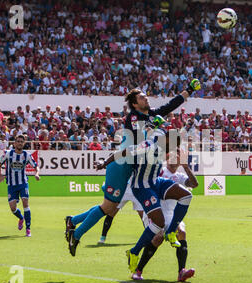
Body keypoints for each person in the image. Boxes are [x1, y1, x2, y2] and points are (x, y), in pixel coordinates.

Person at [64, 79, 201, 256]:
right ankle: (75, 233)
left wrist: (189, 90)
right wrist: (153, 127)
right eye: (142, 97)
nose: (146, 98)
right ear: (135, 104)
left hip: (131, 168)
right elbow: (138, 141)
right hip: (121, 165)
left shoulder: (152, 114)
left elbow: (172, 104)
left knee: (109, 207)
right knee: (108, 208)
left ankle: (72, 222)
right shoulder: (134, 117)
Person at [97, 127, 194, 277]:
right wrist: (104, 164)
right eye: (173, 145)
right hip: (142, 186)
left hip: (156, 182)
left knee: (186, 196)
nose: (172, 149)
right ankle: (134, 253)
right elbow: (125, 151)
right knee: (159, 223)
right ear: (167, 139)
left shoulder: (164, 147)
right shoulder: (149, 146)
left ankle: (170, 234)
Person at [132, 148, 198, 282]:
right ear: (167, 158)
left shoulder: (180, 176)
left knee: (182, 233)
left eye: (177, 158)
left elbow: (194, 184)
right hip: (154, 210)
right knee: (158, 238)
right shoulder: (160, 171)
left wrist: (186, 167)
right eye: (172, 157)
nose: (174, 160)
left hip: (172, 214)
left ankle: (182, 272)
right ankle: (138, 271)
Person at [0, 134, 40, 237]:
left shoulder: (27, 155)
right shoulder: (8, 154)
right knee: (13, 208)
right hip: (11, 185)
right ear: (15, 143)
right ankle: (21, 218)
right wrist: (1, 175)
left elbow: (36, 166)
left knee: (25, 203)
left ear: (24, 143)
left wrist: (37, 173)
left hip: (23, 183)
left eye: (22, 141)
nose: (20, 143)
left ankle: (28, 229)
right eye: (18, 141)